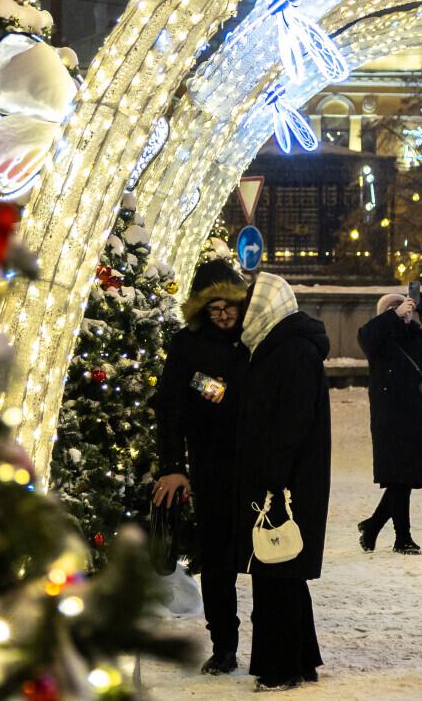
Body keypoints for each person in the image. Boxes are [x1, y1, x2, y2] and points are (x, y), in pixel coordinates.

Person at [233, 272, 332, 692]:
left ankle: (280, 665)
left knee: (275, 571)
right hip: (291, 478)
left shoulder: (288, 351)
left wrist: (273, 477)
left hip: (284, 482)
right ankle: (301, 658)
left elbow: (290, 422)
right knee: (283, 569)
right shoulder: (283, 346)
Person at [151, 260, 248, 674]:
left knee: (266, 555)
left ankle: (278, 643)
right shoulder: (187, 344)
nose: (224, 315)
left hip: (255, 464)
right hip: (209, 466)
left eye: (230, 307)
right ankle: (223, 644)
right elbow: (168, 406)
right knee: (218, 560)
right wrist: (173, 464)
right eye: (215, 309)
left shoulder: (254, 338)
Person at [356, 291, 422, 554]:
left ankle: (373, 525)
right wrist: (392, 314)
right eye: (395, 308)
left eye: (405, 306)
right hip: (392, 417)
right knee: (400, 477)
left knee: (410, 476)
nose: (404, 311)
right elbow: (366, 336)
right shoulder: (378, 340)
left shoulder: (420, 336)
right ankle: (402, 538)